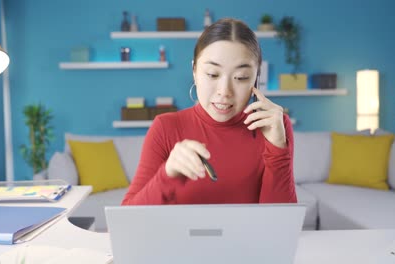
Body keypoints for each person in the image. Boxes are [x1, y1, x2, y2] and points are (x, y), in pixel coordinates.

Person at [122, 18, 296, 205]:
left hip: (249, 235)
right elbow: (127, 219)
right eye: (213, 74)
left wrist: (278, 150)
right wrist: (167, 174)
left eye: (241, 77)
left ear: (255, 78)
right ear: (194, 71)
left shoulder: (275, 127)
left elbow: (280, 224)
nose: (225, 91)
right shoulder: (165, 127)